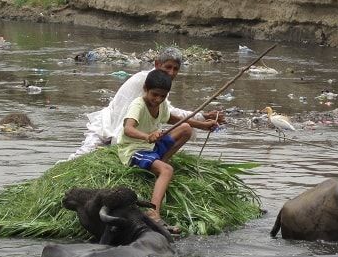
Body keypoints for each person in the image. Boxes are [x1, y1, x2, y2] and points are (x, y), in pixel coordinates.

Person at [68, 46, 224, 160]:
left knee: (185, 129)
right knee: (79, 159)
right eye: (167, 67)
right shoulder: (148, 81)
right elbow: (167, 115)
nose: (171, 73)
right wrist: (201, 120)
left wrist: (203, 119)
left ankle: (160, 162)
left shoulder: (160, 86)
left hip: (133, 135)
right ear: (157, 64)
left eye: (175, 69)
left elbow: (167, 113)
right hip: (110, 129)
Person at [117, 69, 217, 221]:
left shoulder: (161, 105)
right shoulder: (138, 105)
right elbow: (128, 128)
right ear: (146, 89)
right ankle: (154, 211)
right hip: (135, 150)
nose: (158, 99)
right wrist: (147, 136)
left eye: (162, 96)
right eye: (154, 94)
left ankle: (159, 163)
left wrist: (202, 125)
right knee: (167, 170)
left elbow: (172, 118)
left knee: (185, 129)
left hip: (152, 146)